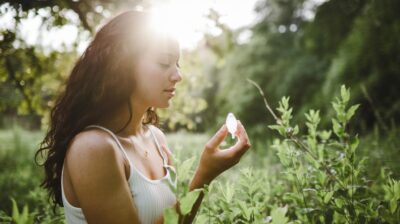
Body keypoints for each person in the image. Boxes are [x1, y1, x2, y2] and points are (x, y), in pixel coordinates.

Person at [35, 9, 251, 224]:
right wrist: (203, 174)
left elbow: (177, 222)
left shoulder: (156, 138)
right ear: (122, 65)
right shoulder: (93, 147)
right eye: (164, 63)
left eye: (177, 64)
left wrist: (207, 174)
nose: (178, 75)